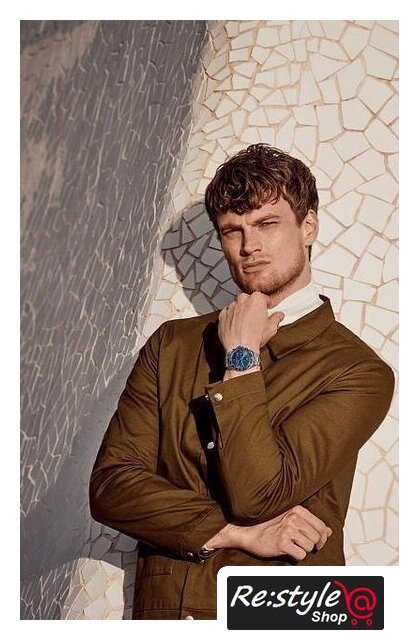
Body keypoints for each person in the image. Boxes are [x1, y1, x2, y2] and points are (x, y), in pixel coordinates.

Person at [89, 144, 395, 620]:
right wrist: (236, 534)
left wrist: (241, 357)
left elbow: (260, 493)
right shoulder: (173, 344)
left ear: (308, 227)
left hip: (282, 614)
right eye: (233, 230)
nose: (249, 246)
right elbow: (111, 487)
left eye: (267, 223)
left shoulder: (359, 371)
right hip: (169, 613)